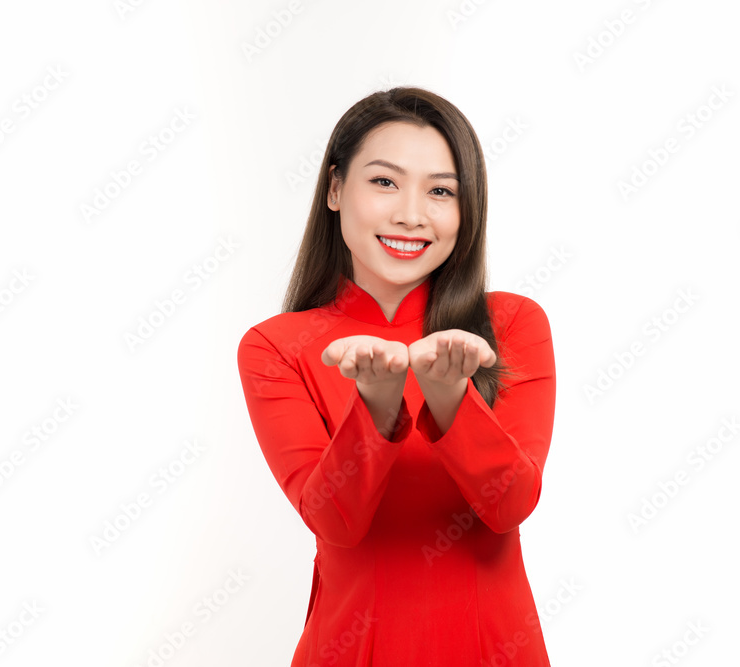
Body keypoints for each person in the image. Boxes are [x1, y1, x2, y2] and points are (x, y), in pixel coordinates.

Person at [237, 86, 556, 665]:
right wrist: (378, 409)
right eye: (384, 182)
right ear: (335, 189)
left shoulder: (510, 325)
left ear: (468, 209)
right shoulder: (277, 348)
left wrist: (449, 397)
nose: (411, 213)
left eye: (441, 191)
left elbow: (508, 505)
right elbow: (335, 521)